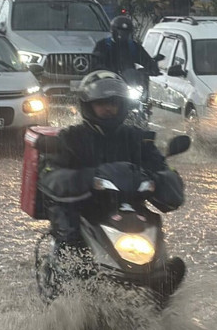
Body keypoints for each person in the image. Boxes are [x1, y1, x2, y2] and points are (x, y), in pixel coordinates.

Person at [38, 71, 184, 252]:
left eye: (114, 103)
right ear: (88, 106)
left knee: (154, 227)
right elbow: (50, 176)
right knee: (70, 238)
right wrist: (89, 179)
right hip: (84, 209)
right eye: (101, 103)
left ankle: (161, 270)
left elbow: (160, 167)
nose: (108, 108)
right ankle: (63, 268)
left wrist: (161, 180)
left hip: (129, 210)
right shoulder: (70, 138)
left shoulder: (138, 139)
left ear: (122, 106)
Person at [92, 16, 161, 86]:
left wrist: (152, 66)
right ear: (113, 32)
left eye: (126, 33)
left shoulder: (133, 46)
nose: (122, 35)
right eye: (120, 32)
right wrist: (101, 69)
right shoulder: (104, 45)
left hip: (128, 85)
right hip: (106, 83)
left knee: (142, 95)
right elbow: (95, 62)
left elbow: (145, 59)